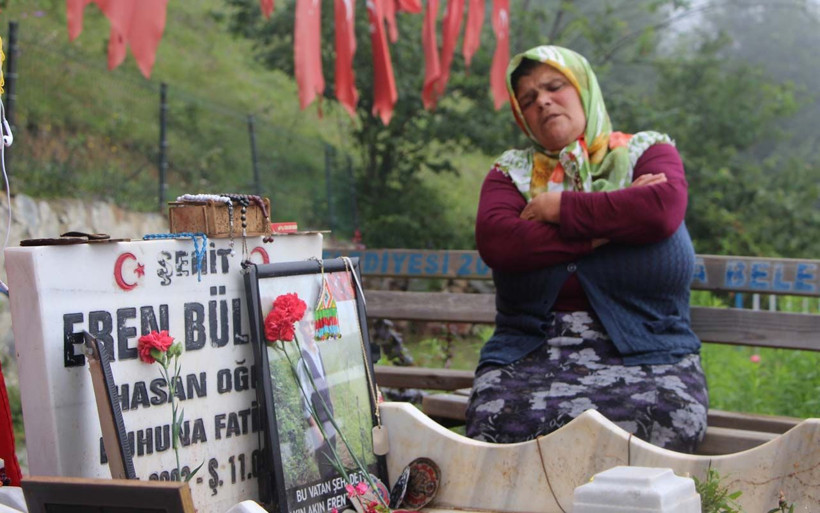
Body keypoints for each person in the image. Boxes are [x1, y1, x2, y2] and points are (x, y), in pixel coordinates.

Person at [466, 45, 708, 453]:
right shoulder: (512, 173)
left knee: (661, 423)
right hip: (530, 353)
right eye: (528, 99)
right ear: (522, 116)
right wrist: (610, 224)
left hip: (649, 351)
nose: (542, 101)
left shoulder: (645, 152)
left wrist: (556, 208)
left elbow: (661, 210)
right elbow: (500, 241)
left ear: (584, 89)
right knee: (499, 426)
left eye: (554, 86)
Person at [295, 308, 338, 480]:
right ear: (300, 328)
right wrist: (315, 429)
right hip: (318, 419)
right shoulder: (302, 361)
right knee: (325, 461)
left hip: (328, 414)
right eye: (306, 325)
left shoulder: (318, 351)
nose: (310, 329)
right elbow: (305, 399)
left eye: (312, 323)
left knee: (333, 455)